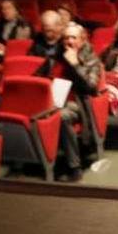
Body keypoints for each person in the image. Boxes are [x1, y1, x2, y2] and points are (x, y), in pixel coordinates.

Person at [49, 22, 102, 182]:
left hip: (77, 102)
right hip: (51, 100)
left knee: (62, 115)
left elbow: (91, 87)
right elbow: (40, 75)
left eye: (73, 37)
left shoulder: (91, 58)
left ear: (82, 39)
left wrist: (75, 64)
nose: (69, 41)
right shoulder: (57, 56)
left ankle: (75, 167)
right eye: (66, 38)